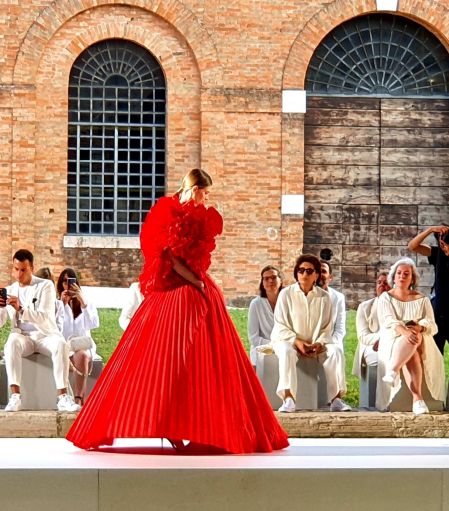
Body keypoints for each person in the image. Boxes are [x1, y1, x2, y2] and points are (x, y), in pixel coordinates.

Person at [65, 168, 289, 453]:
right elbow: (169, 258)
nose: (207, 197)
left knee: (193, 362)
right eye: (205, 192)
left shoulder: (186, 213)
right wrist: (197, 282)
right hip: (180, 291)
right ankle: (175, 424)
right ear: (195, 189)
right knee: (173, 362)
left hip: (189, 290)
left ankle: (196, 426)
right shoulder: (172, 214)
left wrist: (199, 282)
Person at [0, 249, 79, 413]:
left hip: (45, 335)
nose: (19, 274)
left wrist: (21, 309)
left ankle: (63, 398)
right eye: (16, 269)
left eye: (23, 270)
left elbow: (45, 317)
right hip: (24, 337)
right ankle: (15, 396)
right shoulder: (10, 290)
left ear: (31, 267)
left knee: (60, 344)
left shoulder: (45, 285)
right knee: (11, 342)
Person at [271, 254, 347, 413]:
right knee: (286, 352)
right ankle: (288, 398)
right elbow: (280, 324)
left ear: (317, 275)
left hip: (316, 343)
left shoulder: (324, 297)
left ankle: (336, 399)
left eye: (309, 271)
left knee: (336, 351)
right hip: (287, 340)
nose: (304, 274)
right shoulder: (286, 294)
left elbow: (327, 327)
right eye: (301, 270)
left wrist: (319, 343)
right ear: (296, 273)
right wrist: (297, 341)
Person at [375, 258, 445, 415]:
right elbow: (388, 320)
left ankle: (393, 370)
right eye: (399, 273)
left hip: (419, 337)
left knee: (416, 337)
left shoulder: (422, 299)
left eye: (406, 274)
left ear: (412, 278)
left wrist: (419, 327)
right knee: (412, 346)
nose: (402, 276)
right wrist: (405, 331)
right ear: (393, 277)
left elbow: (432, 324)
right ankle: (418, 399)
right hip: (393, 337)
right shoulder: (386, 297)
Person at [408, 224, 449, 373]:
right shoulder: (436, 253)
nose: (443, 241)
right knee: (434, 359)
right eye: (441, 237)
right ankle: (436, 395)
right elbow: (413, 246)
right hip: (437, 313)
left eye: (447, 237)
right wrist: (430, 230)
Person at [57, 267, 100, 407]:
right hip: (65, 346)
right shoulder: (56, 304)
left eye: (70, 281)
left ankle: (78, 398)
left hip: (82, 345)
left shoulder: (86, 302)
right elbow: (56, 329)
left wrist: (83, 303)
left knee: (82, 355)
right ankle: (75, 400)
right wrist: (62, 305)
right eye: (64, 282)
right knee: (77, 355)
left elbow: (94, 324)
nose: (67, 285)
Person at [318, 260, 350, 411]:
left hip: (329, 342)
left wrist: (327, 343)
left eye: (324, 271)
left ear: (330, 276)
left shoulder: (338, 298)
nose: (320, 275)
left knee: (336, 351)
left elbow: (340, 329)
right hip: (307, 342)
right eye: (317, 271)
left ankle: (336, 399)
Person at [351, 271, 388, 381]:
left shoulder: (399, 305)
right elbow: (363, 336)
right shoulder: (364, 307)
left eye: (386, 283)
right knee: (379, 359)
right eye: (379, 282)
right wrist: (382, 339)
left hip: (394, 344)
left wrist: (387, 340)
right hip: (371, 345)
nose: (382, 285)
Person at [247, 265, 282, 368]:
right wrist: (274, 345)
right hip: (262, 349)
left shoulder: (287, 302)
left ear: (280, 281)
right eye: (266, 278)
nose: (270, 280)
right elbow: (253, 338)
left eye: (274, 277)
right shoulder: (256, 304)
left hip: (285, 348)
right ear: (262, 283)